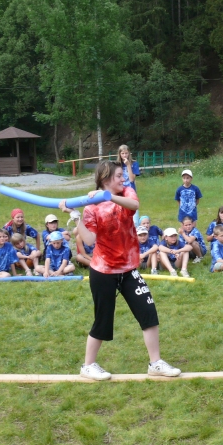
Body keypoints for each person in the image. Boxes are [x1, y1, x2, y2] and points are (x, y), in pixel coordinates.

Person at [59, 160, 180, 380]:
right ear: (105, 178)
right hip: (103, 271)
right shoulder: (91, 207)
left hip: (129, 269)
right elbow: (89, 239)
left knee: (148, 312)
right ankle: (88, 366)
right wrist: (76, 217)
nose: (123, 179)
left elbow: (133, 206)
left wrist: (108, 196)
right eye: (118, 176)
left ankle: (155, 363)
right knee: (103, 320)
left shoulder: (126, 192)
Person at [117, 144, 141, 226]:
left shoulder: (134, 163)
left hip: (131, 192)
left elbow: (131, 179)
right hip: (120, 192)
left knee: (135, 220)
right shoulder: (117, 164)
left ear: (129, 153)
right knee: (121, 218)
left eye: (126, 153)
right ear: (119, 154)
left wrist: (128, 165)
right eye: (122, 153)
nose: (124, 155)